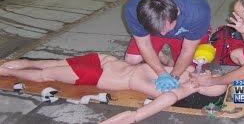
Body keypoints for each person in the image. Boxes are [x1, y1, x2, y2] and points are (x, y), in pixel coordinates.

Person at [0, 53, 226, 123]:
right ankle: (8, 68)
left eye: (208, 82)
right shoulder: (186, 71)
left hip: (98, 72)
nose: (208, 75)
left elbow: (164, 100)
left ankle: (8, 70)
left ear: (198, 91)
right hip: (104, 61)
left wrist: (134, 116)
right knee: (45, 67)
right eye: (213, 76)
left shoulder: (174, 88)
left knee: (44, 73)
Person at [124, 0, 211, 92]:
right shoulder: (132, 10)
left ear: (177, 13)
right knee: (132, 60)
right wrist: (161, 73)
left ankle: (163, 58)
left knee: (191, 70)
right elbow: (144, 44)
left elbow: (188, 51)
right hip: (153, 29)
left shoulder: (198, 12)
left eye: (167, 28)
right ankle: (160, 56)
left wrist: (174, 77)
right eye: (160, 31)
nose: (163, 34)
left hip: (186, 33)